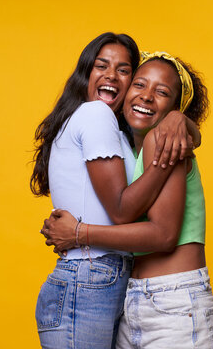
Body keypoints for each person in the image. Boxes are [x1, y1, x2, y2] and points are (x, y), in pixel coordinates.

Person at [31, 33, 202, 349]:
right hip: (90, 278)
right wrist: (164, 159)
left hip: (105, 282)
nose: (111, 75)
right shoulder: (95, 114)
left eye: (124, 70)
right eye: (102, 65)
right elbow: (123, 211)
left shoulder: (122, 133)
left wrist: (179, 119)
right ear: (86, 72)